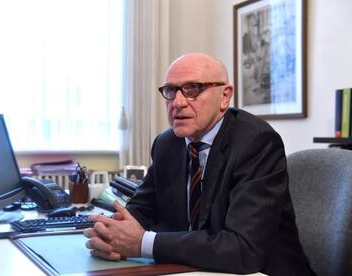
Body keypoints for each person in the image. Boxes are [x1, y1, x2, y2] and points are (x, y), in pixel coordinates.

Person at [83, 53, 314, 275]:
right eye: (171, 91)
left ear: (225, 96)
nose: (178, 102)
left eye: (192, 89)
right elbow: (140, 211)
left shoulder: (256, 142)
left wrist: (143, 243)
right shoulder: (167, 143)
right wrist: (110, 234)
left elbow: (244, 249)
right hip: (194, 269)